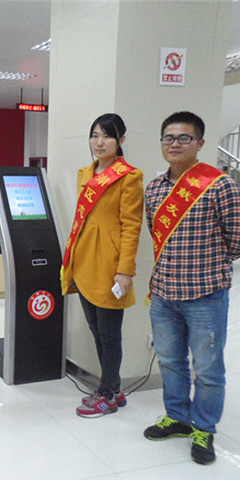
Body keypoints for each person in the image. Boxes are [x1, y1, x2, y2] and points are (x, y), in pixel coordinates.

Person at [143, 111, 240, 465]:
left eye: (184, 138)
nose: (174, 144)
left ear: (200, 143)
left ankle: (204, 427)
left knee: (208, 368)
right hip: (163, 294)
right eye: (168, 138)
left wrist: (209, 267)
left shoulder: (220, 185)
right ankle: (178, 417)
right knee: (170, 361)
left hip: (205, 296)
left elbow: (236, 239)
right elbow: (154, 232)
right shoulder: (154, 188)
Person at [61, 113, 144, 418]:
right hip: (84, 260)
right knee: (96, 331)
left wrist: (125, 271)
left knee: (109, 334)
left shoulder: (129, 177)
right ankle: (114, 388)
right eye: (95, 135)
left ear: (121, 140)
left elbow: (131, 227)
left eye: (107, 136)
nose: (99, 142)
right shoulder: (86, 173)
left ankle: (107, 394)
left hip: (110, 266)